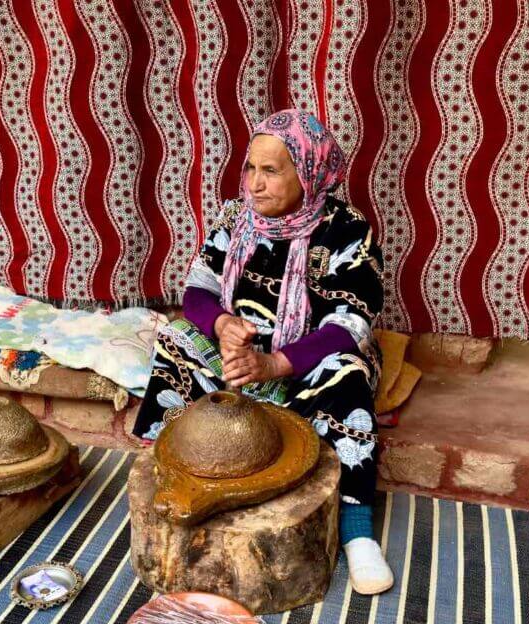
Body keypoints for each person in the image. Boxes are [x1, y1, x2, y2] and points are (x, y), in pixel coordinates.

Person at [132, 109, 393, 595]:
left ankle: (358, 535)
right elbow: (198, 290)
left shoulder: (346, 230)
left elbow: (350, 321)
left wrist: (274, 364)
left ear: (308, 173)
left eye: (271, 170)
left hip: (305, 361)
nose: (254, 183)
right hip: (244, 354)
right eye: (250, 168)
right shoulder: (236, 218)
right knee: (175, 341)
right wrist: (223, 324)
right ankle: (166, 475)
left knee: (349, 375)